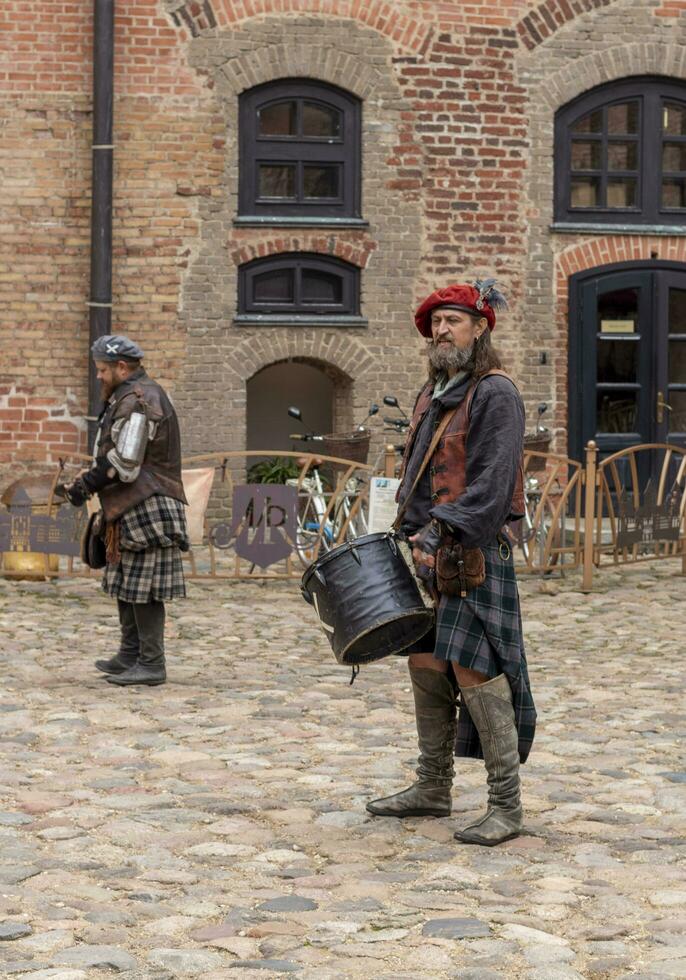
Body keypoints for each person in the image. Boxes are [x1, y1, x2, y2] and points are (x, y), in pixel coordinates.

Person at [366, 280, 536, 846]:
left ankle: (506, 805)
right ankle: (433, 786)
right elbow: (415, 476)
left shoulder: (495, 393)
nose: (441, 331)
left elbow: (490, 487)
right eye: (435, 323)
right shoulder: (432, 392)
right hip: (428, 554)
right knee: (425, 662)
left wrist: (440, 530)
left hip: (473, 553)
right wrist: (398, 532)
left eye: (453, 321)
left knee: (474, 668)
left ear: (480, 328)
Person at [61, 335, 189, 687]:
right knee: (125, 582)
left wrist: (87, 483)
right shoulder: (128, 395)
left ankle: (151, 663)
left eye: (103, 369)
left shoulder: (140, 399)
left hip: (150, 502)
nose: (98, 376)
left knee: (145, 588)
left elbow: (127, 462)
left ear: (122, 367)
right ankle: (129, 655)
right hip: (133, 503)